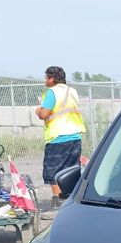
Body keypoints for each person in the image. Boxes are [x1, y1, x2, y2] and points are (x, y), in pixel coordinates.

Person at [35, 66, 86, 216]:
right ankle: (72, 202)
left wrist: (38, 111)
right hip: (75, 137)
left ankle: (59, 204)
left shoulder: (52, 92)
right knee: (71, 170)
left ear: (52, 78)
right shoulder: (72, 91)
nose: (45, 81)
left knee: (53, 171)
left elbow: (44, 113)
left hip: (58, 137)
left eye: (46, 77)